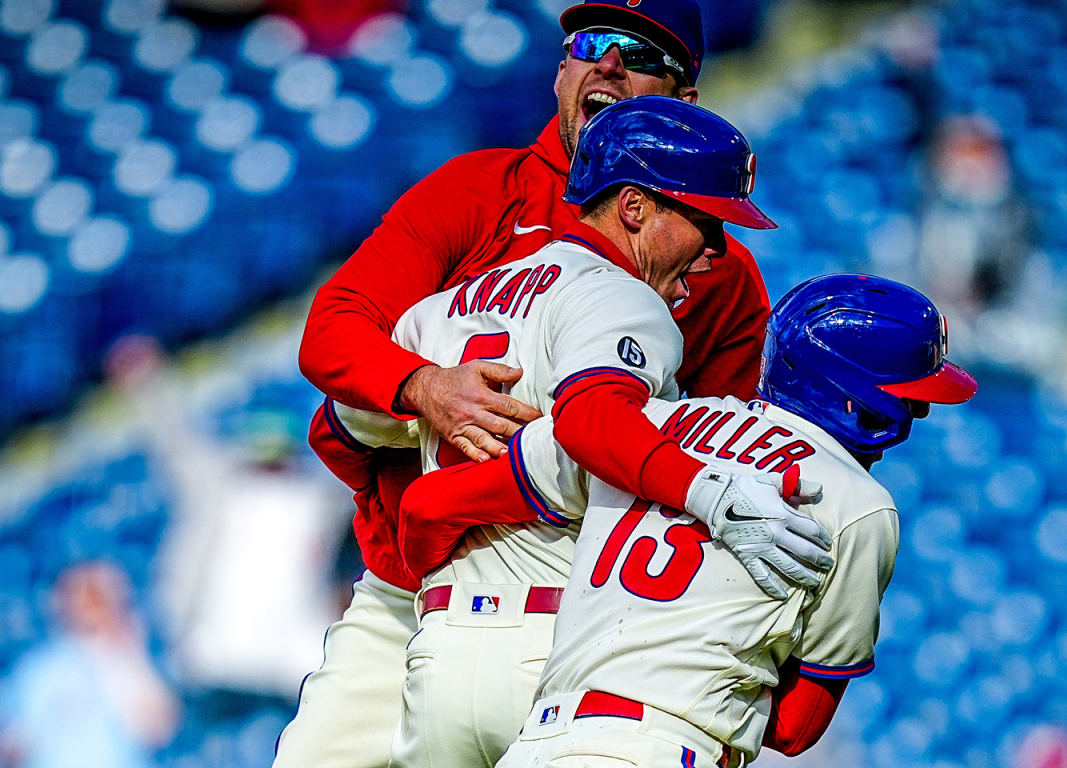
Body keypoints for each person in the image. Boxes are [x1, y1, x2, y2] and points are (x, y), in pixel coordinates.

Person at [278, 2, 780, 765]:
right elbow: (335, 334)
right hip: (412, 596)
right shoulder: (478, 190)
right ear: (560, 70)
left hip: (575, 600)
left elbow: (703, 449)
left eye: (640, 52)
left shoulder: (718, 275)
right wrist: (422, 386)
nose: (608, 63)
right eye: (591, 43)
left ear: (683, 103)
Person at [399, 274, 978, 766]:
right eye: (909, 396)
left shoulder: (643, 424)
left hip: (542, 742)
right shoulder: (859, 504)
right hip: (672, 747)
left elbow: (428, 506)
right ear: (856, 400)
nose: (921, 409)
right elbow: (795, 731)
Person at [0, 562, 181, 768]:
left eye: (98, 598)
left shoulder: (132, 660)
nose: (91, 608)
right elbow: (16, 741)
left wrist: (120, 654)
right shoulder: (37, 668)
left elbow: (159, 730)